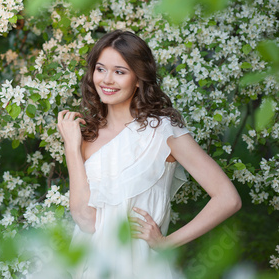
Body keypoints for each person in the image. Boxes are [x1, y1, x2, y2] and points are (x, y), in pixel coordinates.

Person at [57, 30, 241, 278]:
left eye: (120, 72)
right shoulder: (85, 137)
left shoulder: (164, 133)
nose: (107, 80)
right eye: (101, 69)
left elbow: (228, 198)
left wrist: (166, 242)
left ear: (138, 79)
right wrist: (71, 146)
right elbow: (87, 221)